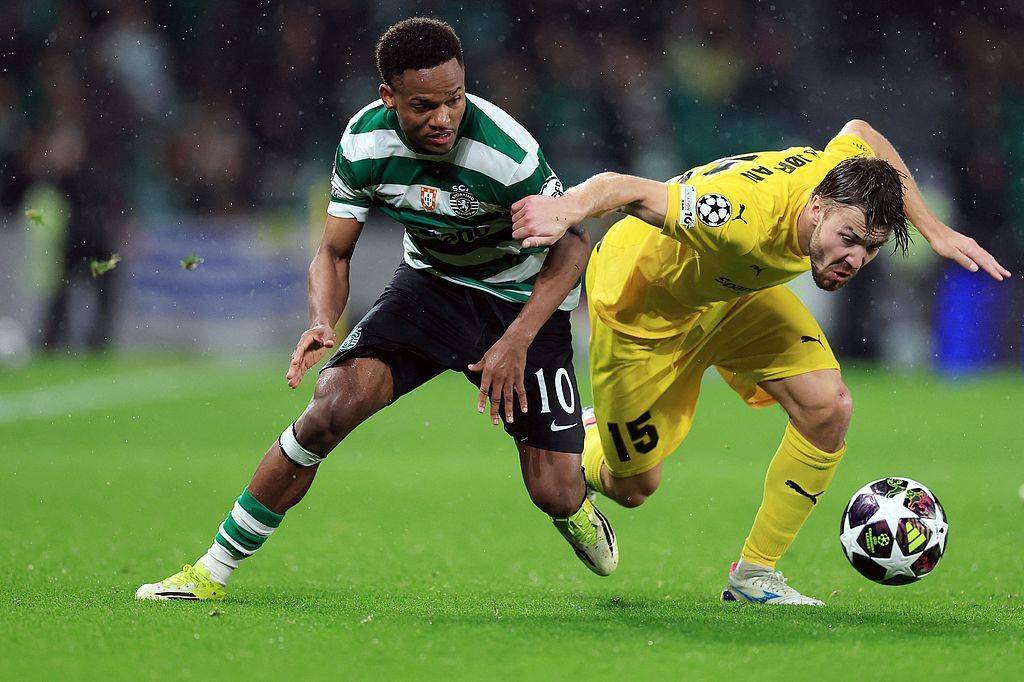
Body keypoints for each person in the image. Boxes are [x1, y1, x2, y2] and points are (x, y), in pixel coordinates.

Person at [136, 17, 616, 601]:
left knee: (553, 492)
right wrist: (322, 320)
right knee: (330, 407)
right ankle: (210, 572)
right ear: (389, 97)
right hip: (430, 288)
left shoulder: (506, 154)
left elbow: (572, 246)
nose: (444, 118)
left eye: (454, 100)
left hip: (519, 299)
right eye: (424, 106)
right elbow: (333, 253)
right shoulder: (363, 144)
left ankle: (578, 470)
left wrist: (515, 340)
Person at [510, 119, 1009, 605]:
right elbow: (624, 188)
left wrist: (934, 229)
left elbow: (863, 133)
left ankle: (755, 574)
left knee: (828, 407)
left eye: (871, 248)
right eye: (850, 239)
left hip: (730, 295)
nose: (856, 259)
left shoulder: (839, 177)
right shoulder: (737, 217)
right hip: (641, 311)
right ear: (816, 207)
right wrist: (565, 208)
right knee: (634, 487)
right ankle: (589, 437)